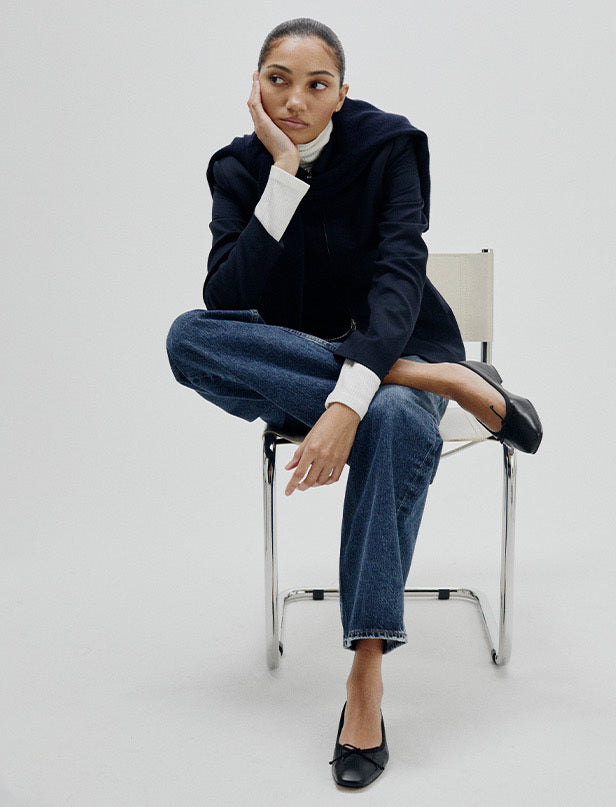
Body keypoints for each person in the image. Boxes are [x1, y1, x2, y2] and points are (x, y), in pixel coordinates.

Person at [166, 18, 542, 789]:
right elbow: (225, 301)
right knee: (186, 337)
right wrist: (282, 177)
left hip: (394, 346)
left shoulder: (389, 148)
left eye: (316, 84)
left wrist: (355, 399)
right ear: (254, 85)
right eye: (278, 79)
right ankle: (442, 379)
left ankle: (365, 669)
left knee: (396, 420)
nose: (295, 99)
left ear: (343, 92)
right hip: (312, 373)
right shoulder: (237, 171)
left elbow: (400, 279)